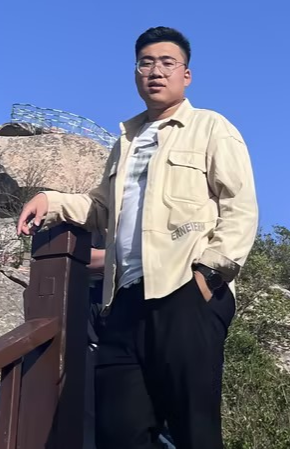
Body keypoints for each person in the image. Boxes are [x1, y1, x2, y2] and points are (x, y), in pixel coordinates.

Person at [18, 26, 259, 449]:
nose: (156, 71)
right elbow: (101, 208)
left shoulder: (211, 127)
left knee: (194, 430)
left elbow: (240, 206)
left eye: (167, 63)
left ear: (186, 75)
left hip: (184, 291)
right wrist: (50, 200)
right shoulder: (125, 141)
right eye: (146, 63)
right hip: (125, 299)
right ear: (135, 73)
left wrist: (207, 275)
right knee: (119, 429)